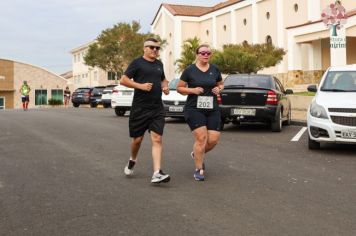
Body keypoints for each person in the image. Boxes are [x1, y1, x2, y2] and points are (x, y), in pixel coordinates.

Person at [120, 38, 171, 184]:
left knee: (157, 139)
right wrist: (140, 86)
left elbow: (163, 79)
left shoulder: (159, 64)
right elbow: (123, 80)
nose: (154, 50)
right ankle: (132, 159)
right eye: (151, 47)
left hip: (157, 108)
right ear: (144, 48)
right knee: (137, 140)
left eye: (157, 48)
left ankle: (157, 173)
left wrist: (165, 87)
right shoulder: (137, 63)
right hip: (140, 108)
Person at [177, 44, 224, 181]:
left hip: (212, 108)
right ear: (197, 54)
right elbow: (179, 88)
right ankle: (199, 169)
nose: (206, 55)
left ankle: (196, 153)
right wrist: (192, 90)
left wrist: (219, 88)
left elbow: (220, 83)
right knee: (201, 138)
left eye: (208, 53)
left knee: (213, 140)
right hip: (194, 108)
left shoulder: (215, 69)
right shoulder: (189, 70)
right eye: (203, 52)